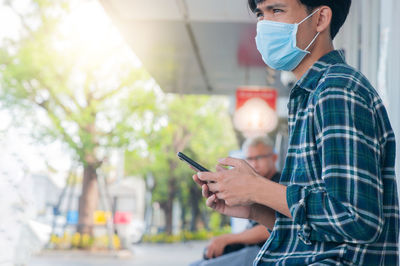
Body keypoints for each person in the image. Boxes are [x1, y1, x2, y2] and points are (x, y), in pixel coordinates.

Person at [193, 0, 399, 265]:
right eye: (260, 14)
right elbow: (320, 228)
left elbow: (356, 218)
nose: (264, 25)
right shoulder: (310, 94)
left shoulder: (336, 89)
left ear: (320, 19)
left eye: (276, 10)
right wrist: (255, 207)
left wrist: (258, 188)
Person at [190, 136, 280, 266]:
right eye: (249, 158)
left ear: (274, 158)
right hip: (250, 249)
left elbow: (279, 226)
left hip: (269, 250)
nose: (254, 163)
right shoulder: (251, 187)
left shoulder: (280, 183)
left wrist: (229, 239)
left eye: (259, 158)